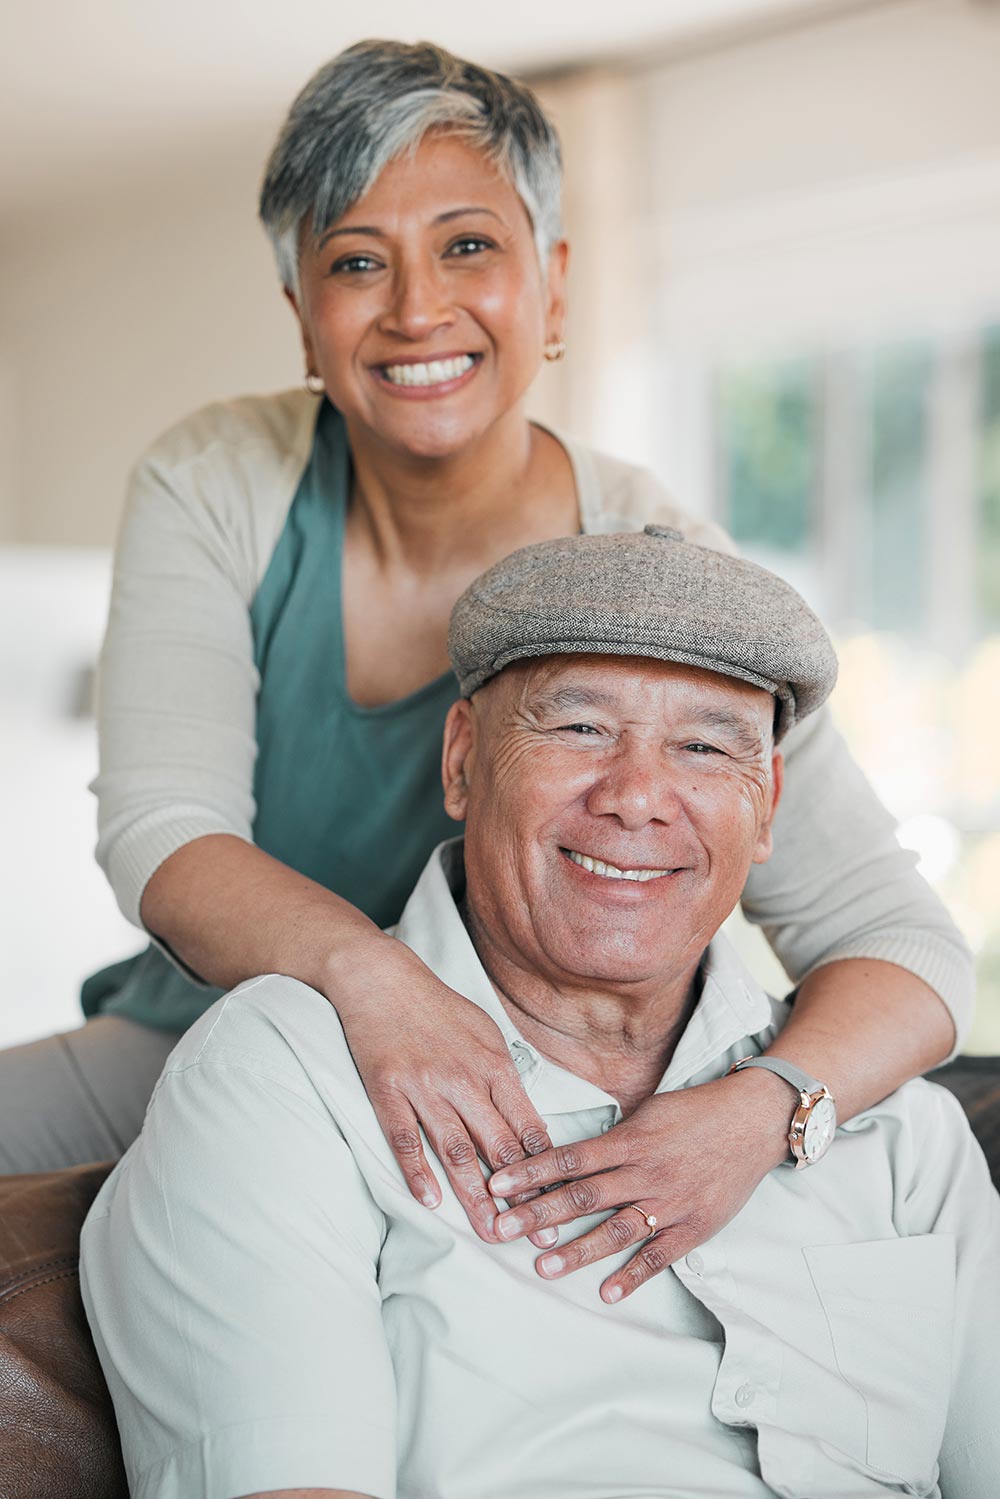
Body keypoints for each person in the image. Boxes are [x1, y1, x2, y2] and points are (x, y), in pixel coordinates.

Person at [1, 41, 969, 1299]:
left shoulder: (652, 562)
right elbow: (163, 829)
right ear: (302, 314)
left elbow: (901, 942)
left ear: (553, 287)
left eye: (468, 246)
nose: (415, 308)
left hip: (531, 1083)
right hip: (203, 1034)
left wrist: (762, 1111)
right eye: (355, 261)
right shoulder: (218, 478)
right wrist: (373, 980)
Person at [80, 529, 1000, 1499]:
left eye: (702, 744)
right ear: (464, 760)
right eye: (578, 728)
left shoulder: (904, 1136)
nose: (638, 796)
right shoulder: (285, 1083)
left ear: (767, 805)